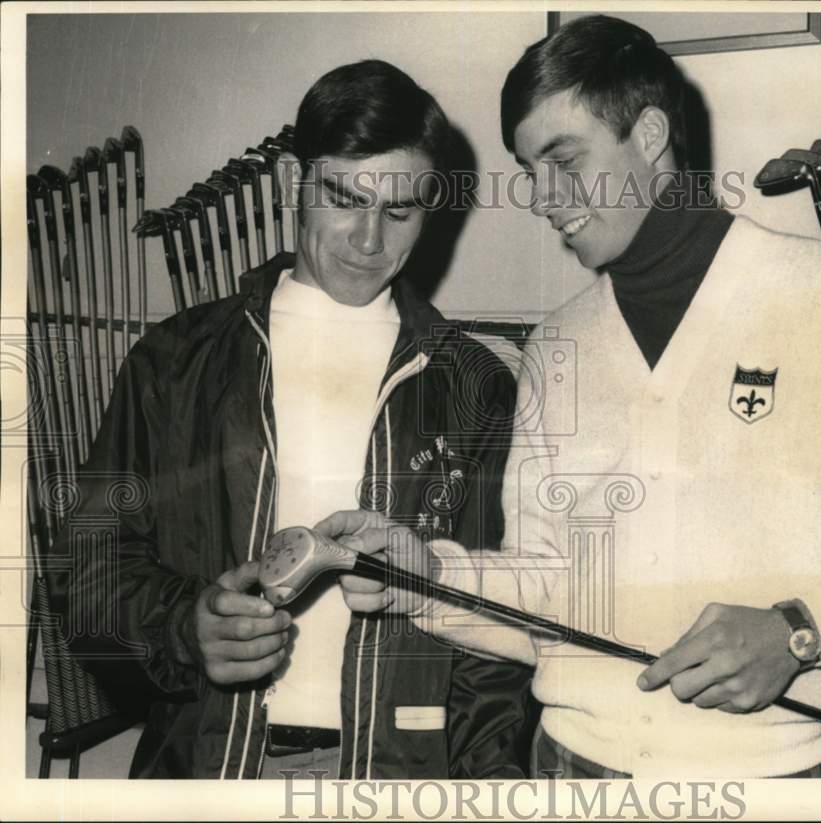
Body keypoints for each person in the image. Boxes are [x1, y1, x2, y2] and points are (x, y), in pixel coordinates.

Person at [332, 16, 821, 779]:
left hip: (773, 775)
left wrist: (804, 628)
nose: (541, 198)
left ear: (648, 135)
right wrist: (424, 578)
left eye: (563, 161)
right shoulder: (556, 347)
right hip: (569, 765)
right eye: (527, 168)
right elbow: (552, 589)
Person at [46, 59, 535, 780]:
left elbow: (494, 627)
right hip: (216, 767)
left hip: (396, 775)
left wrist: (485, 788)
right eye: (343, 198)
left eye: (399, 211)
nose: (368, 240)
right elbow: (86, 568)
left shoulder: (473, 383)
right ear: (288, 183)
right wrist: (187, 627)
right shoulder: (175, 360)